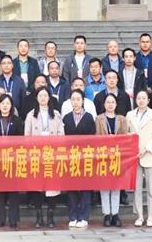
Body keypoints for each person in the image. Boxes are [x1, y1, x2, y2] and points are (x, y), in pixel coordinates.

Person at [24, 87, 64, 228]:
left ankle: (51, 216)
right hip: (36, 156)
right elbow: (26, 136)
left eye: (45, 95)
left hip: (51, 155)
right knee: (37, 187)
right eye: (40, 95)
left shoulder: (56, 114)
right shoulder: (31, 115)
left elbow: (61, 135)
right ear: (36, 98)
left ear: (49, 98)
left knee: (52, 187)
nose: (43, 98)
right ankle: (39, 216)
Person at [127, 90, 152, 227]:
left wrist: (147, 148)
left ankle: (151, 216)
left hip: (150, 155)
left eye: (144, 98)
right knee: (137, 188)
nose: (141, 100)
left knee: (151, 188)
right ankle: (139, 216)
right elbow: (127, 133)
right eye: (139, 98)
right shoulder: (130, 115)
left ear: (148, 100)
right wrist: (133, 148)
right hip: (135, 156)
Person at [0, 94, 24, 229]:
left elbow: (21, 140)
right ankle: (0, 219)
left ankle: (13, 220)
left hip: (13, 159)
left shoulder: (17, 120)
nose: (5, 106)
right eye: (2, 103)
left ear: (11, 106)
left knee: (13, 191)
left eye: (7, 103)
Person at [62, 89, 95, 228]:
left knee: (85, 188)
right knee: (72, 187)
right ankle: (73, 216)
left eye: (78, 99)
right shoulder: (66, 118)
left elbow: (93, 138)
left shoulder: (89, 117)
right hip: (71, 157)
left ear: (83, 101)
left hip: (85, 157)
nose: (75, 102)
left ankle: (84, 216)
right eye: (73, 99)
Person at [96, 93, 128, 227]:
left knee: (116, 186)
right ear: (104, 104)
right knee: (104, 186)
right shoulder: (99, 119)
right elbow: (96, 137)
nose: (110, 104)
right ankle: (106, 214)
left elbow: (125, 137)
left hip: (117, 155)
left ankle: (115, 214)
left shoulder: (122, 119)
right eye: (108, 102)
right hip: (103, 155)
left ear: (116, 104)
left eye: (112, 102)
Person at [135, 33, 152, 111]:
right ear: (139, 43)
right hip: (139, 92)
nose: (145, 44)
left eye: (147, 42)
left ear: (151, 43)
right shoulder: (135, 57)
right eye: (143, 42)